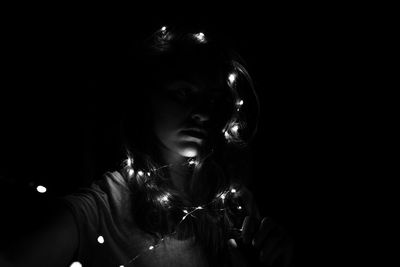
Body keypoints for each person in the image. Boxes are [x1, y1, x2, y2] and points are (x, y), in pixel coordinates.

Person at [0, 24, 293, 267]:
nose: (202, 112)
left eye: (214, 99)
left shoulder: (233, 204)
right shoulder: (102, 209)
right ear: (146, 100)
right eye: (182, 92)